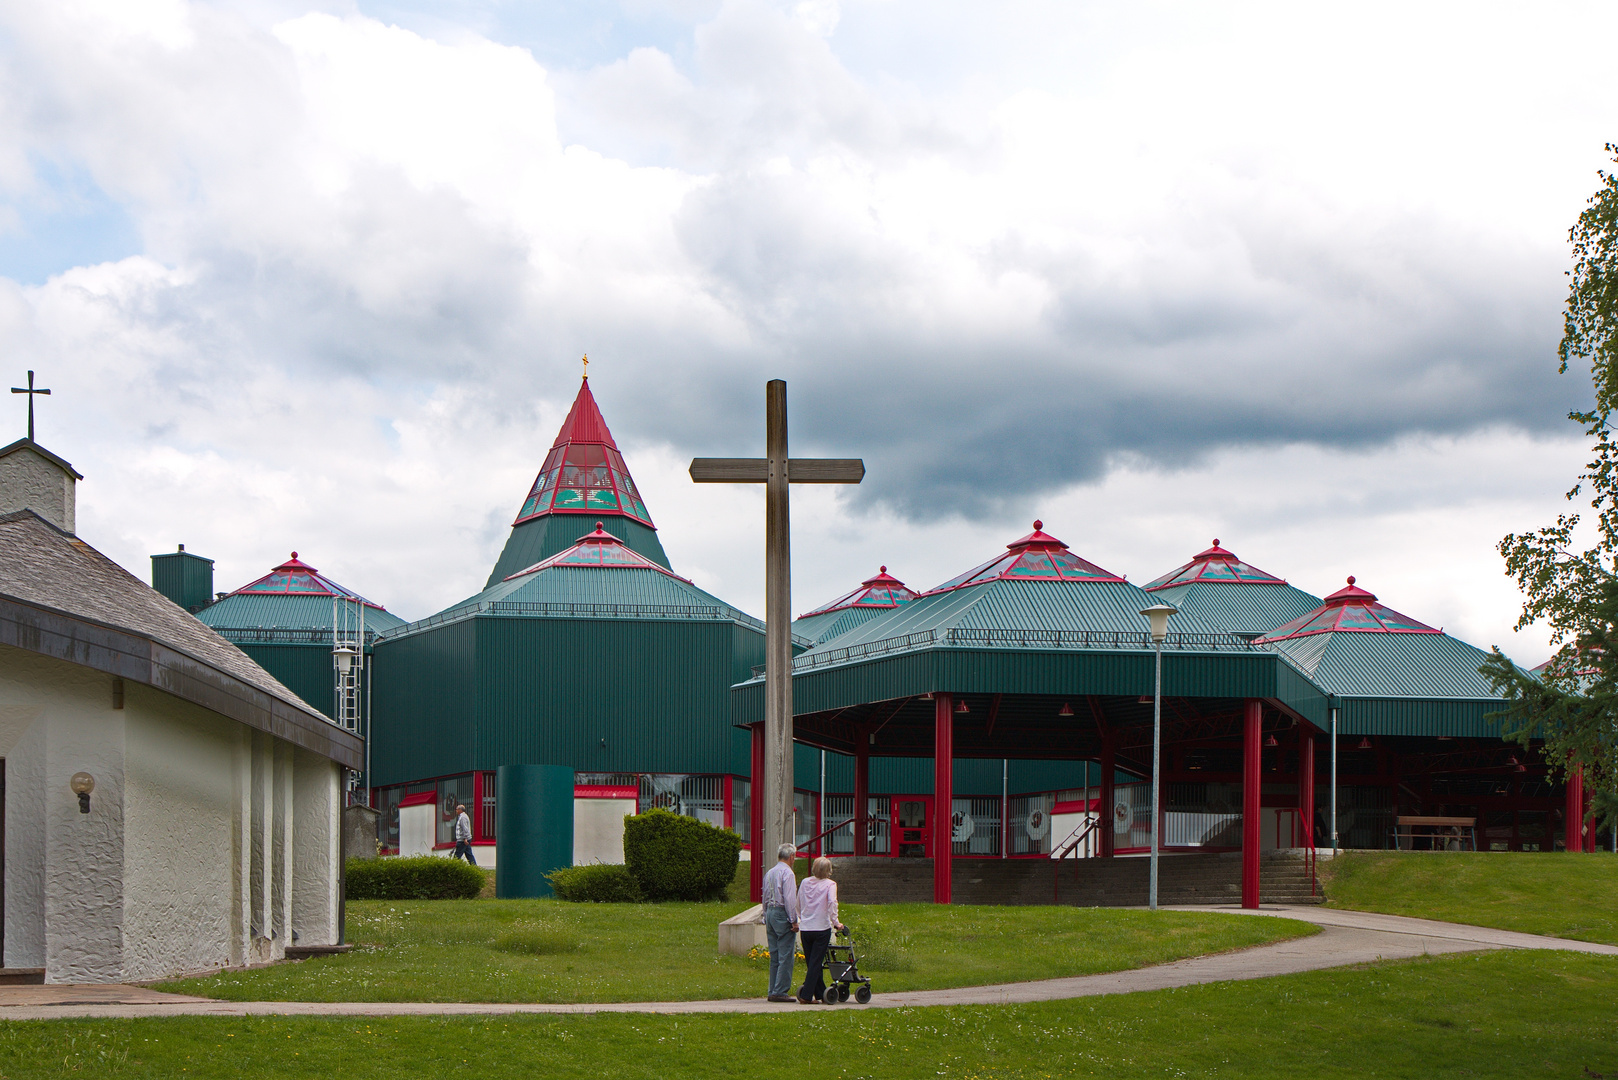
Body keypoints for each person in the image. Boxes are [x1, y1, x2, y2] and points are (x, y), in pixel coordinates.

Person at [795, 856, 845, 1004]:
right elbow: (832, 903)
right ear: (828, 870)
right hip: (821, 927)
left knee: (812, 962)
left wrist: (799, 917)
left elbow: (798, 902)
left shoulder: (805, 882)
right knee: (816, 963)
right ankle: (806, 995)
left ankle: (820, 993)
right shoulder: (830, 884)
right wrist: (836, 922)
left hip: (806, 928)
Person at [761, 843, 800, 1002]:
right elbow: (790, 899)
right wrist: (794, 920)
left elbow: (764, 895)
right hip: (781, 912)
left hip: (770, 911)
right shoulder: (788, 873)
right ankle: (781, 990)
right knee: (786, 954)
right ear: (791, 857)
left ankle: (773, 989)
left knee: (775, 954)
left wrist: (765, 914)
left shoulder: (770, 872)